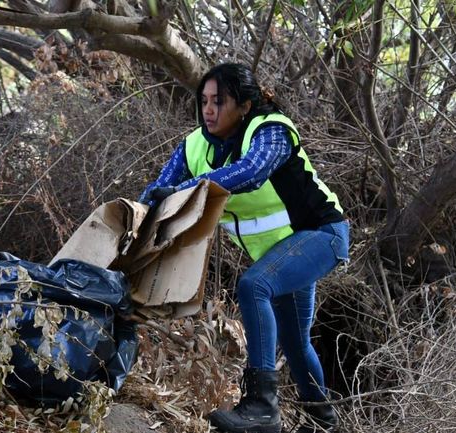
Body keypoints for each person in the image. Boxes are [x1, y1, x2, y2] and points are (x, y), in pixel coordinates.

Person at [139, 63, 350, 433]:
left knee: (255, 287)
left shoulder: (272, 130)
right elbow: (157, 193)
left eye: (219, 101)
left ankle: (261, 407)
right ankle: (324, 424)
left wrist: (189, 189)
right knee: (296, 343)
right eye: (203, 101)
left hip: (323, 235)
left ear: (245, 106)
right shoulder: (193, 146)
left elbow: (251, 172)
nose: (208, 110)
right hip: (282, 253)